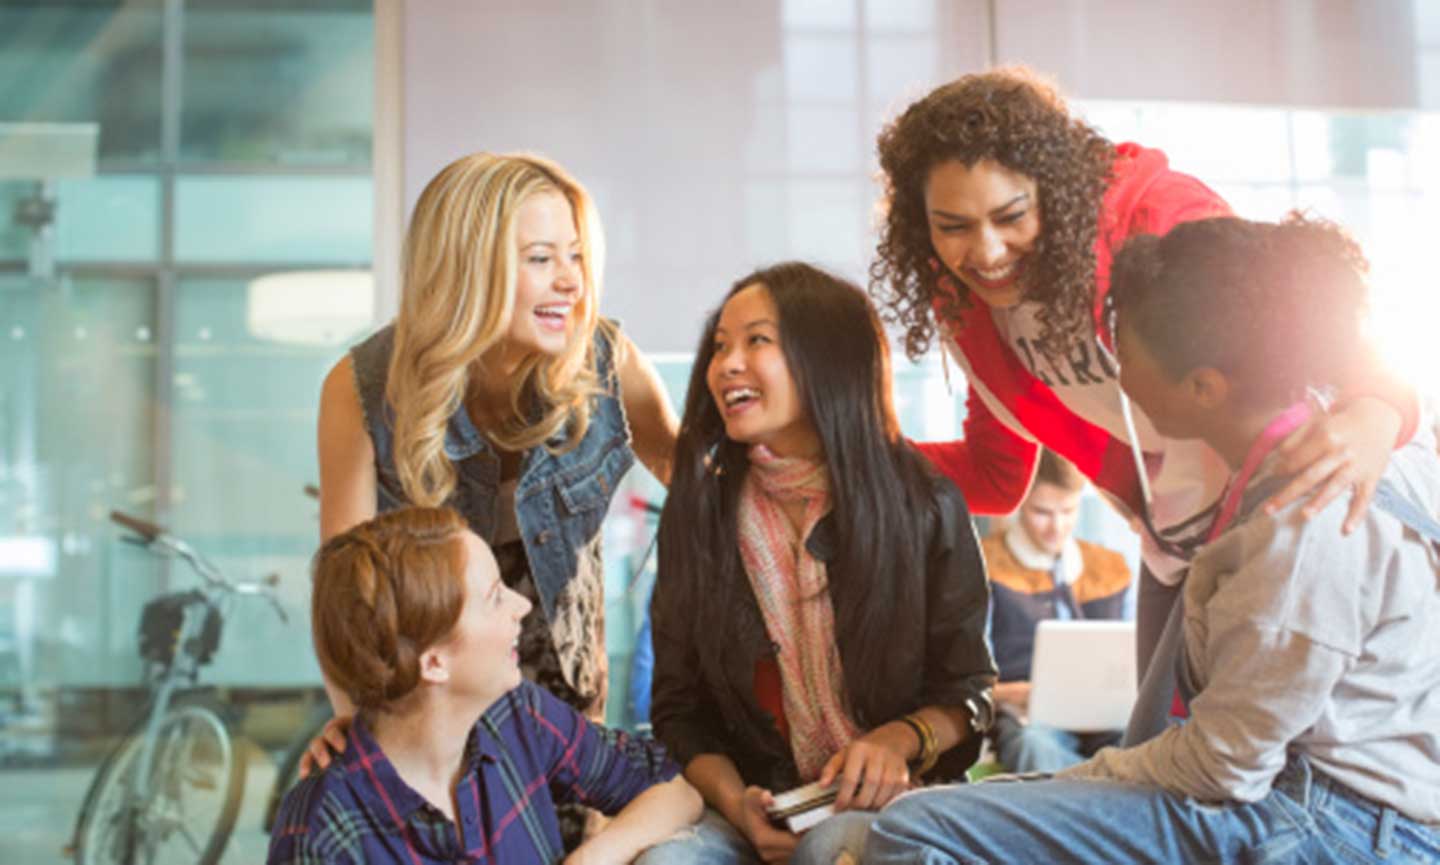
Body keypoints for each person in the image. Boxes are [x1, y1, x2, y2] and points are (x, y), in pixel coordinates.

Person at [866, 215, 1440, 864]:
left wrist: (1058, 788)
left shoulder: (1300, 528)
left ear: (1203, 389)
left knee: (913, 828)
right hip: (1302, 797)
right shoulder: (1337, 442)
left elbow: (1223, 766)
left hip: (1328, 827)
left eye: (1124, 349)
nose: (1112, 365)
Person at [869, 66, 1421, 688]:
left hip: (1292, 507)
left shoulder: (1154, 215)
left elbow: (1304, 305)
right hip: (1177, 544)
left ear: (1054, 190)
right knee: (1159, 753)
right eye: (954, 227)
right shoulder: (969, 302)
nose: (988, 251)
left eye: (1011, 216)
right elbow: (996, 477)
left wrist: (1378, 409)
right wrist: (849, 464)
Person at [309, 152, 678, 843]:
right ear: (466, 267)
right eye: (542, 258)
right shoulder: (360, 390)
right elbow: (344, 597)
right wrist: (363, 733)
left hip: (566, 728)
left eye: (575, 254)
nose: (571, 280)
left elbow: (708, 494)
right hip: (429, 722)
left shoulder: (606, 362)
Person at [637, 263, 997, 865]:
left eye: (757, 341)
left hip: (891, 803)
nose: (726, 365)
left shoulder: (923, 504)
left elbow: (969, 693)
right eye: (720, 346)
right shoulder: (700, 510)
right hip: (751, 805)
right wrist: (739, 806)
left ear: (827, 358)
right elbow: (678, 711)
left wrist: (895, 742)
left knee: (838, 848)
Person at [267, 506, 702, 864]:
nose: (522, 605)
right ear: (434, 663)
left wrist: (589, 860)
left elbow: (674, 789)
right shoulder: (321, 832)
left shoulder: (516, 717)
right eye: (495, 596)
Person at [984, 448, 1131, 774]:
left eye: (1068, 511)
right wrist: (1014, 693)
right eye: (1042, 512)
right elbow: (968, 683)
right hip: (1027, 715)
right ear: (1020, 505)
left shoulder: (1111, 567)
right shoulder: (986, 567)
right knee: (1033, 744)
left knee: (1144, 739)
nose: (1057, 526)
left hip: (1102, 714)